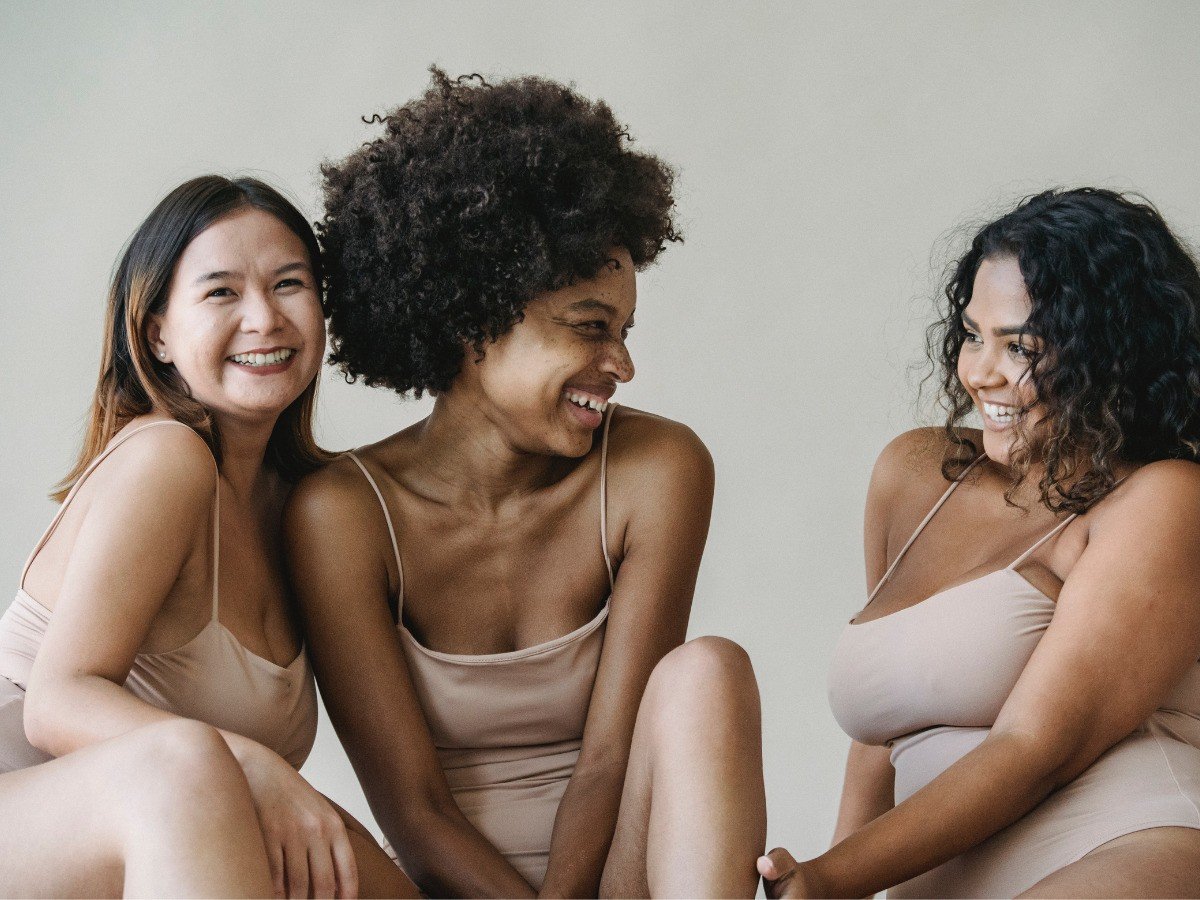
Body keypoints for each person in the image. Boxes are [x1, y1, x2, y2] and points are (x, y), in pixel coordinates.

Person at [286, 68, 767, 898]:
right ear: (472, 320)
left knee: (708, 672)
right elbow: (416, 813)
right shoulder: (343, 514)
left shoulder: (657, 469)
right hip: (460, 888)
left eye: (622, 331)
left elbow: (611, 759)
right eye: (590, 329)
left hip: (626, 874)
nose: (620, 364)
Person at [760, 188, 1200, 898]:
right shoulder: (913, 473)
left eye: (1020, 346)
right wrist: (831, 882)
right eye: (972, 335)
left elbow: (1037, 749)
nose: (980, 373)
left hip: (1119, 845)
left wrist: (831, 878)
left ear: (1114, 353)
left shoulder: (1162, 499)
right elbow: (879, 738)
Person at [0, 175, 418, 898]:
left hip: (172, 829)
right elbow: (56, 702)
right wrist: (255, 767)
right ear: (157, 331)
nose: (264, 319)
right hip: (26, 819)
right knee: (187, 766)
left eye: (289, 284)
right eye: (222, 292)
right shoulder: (167, 457)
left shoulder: (309, 511)